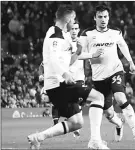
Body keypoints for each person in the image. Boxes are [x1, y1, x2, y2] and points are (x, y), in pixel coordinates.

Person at [27, 5, 108, 149]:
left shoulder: (63, 35)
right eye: (74, 19)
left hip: (58, 86)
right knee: (99, 97)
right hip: (59, 84)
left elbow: (69, 60)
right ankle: (95, 141)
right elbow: (52, 58)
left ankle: (38, 137)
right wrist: (64, 74)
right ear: (69, 19)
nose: (74, 21)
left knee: (77, 122)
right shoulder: (55, 33)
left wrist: (83, 54)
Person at [77, 4, 135, 145]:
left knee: (120, 98)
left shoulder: (115, 32)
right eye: (100, 17)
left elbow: (123, 46)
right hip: (99, 78)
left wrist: (130, 62)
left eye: (105, 17)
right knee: (108, 113)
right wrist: (92, 54)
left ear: (109, 18)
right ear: (95, 18)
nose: (103, 19)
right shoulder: (86, 34)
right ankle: (119, 123)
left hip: (115, 70)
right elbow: (77, 55)